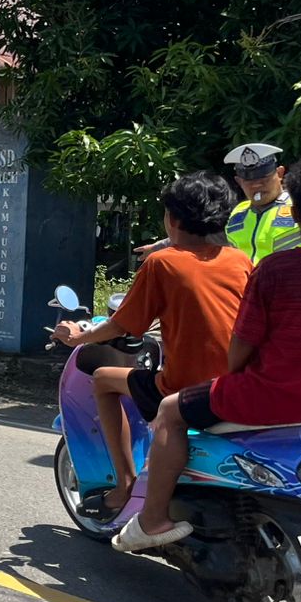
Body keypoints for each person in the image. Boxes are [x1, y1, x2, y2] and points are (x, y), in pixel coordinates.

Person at [116, 153, 301, 552]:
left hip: (268, 396)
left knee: (171, 410)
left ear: (295, 213)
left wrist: (236, 373)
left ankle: (152, 519)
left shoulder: (273, 269)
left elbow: (241, 347)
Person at [54, 173, 253, 511]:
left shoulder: (162, 263)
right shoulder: (240, 260)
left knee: (102, 380)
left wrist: (78, 337)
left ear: (172, 219)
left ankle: (124, 485)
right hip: (238, 383)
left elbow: (120, 326)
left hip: (184, 388)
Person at [222, 142, 301, 262]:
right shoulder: (236, 213)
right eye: (249, 180)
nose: (256, 185)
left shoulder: (299, 205)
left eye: (264, 177)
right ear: (239, 182)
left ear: (279, 173)